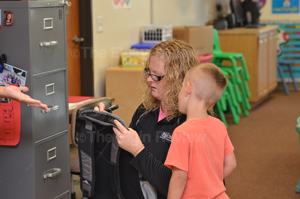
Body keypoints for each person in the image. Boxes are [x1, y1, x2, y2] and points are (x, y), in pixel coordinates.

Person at [95, 39, 201, 199]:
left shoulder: (192, 124)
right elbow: (123, 159)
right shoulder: (145, 111)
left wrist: (139, 151)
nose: (149, 79)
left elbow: (181, 190)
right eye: (148, 72)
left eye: (157, 76)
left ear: (178, 79)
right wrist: (105, 125)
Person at [164, 63, 237, 199]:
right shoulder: (219, 125)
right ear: (212, 103)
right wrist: (210, 183)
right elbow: (231, 164)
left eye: (181, 88)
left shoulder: (182, 132)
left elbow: (180, 176)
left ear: (188, 89)